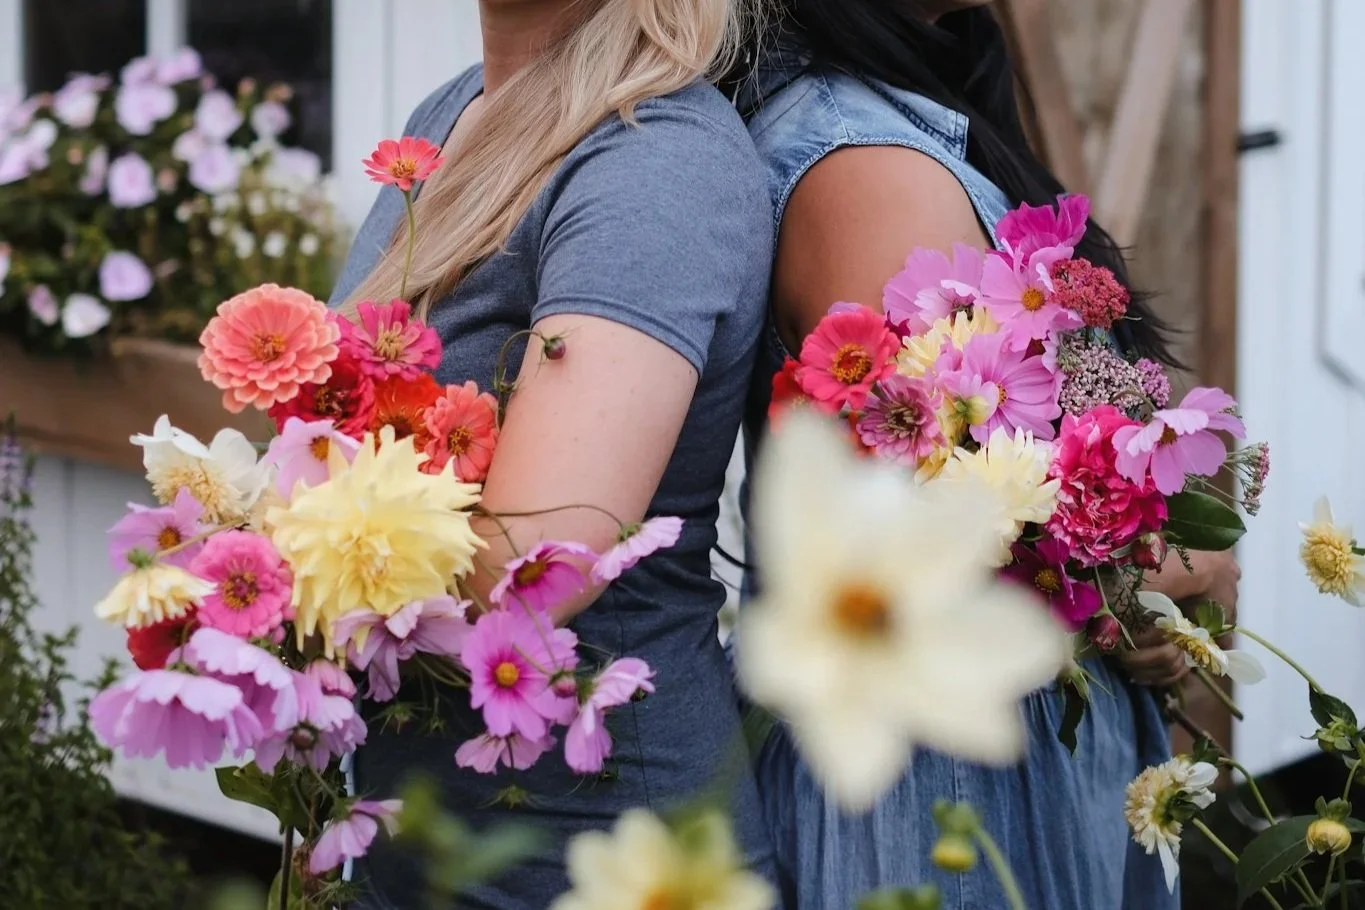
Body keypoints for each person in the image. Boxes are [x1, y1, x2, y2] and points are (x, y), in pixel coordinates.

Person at [731, 2, 1242, 908]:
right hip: (951, 787)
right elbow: (952, 529)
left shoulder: (901, 114)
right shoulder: (868, 169)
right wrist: (1180, 568)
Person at [328, 1, 776, 906]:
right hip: (424, 829)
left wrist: (271, 526)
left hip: (594, 850)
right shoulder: (453, 111)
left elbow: (530, 564)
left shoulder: (656, 158)